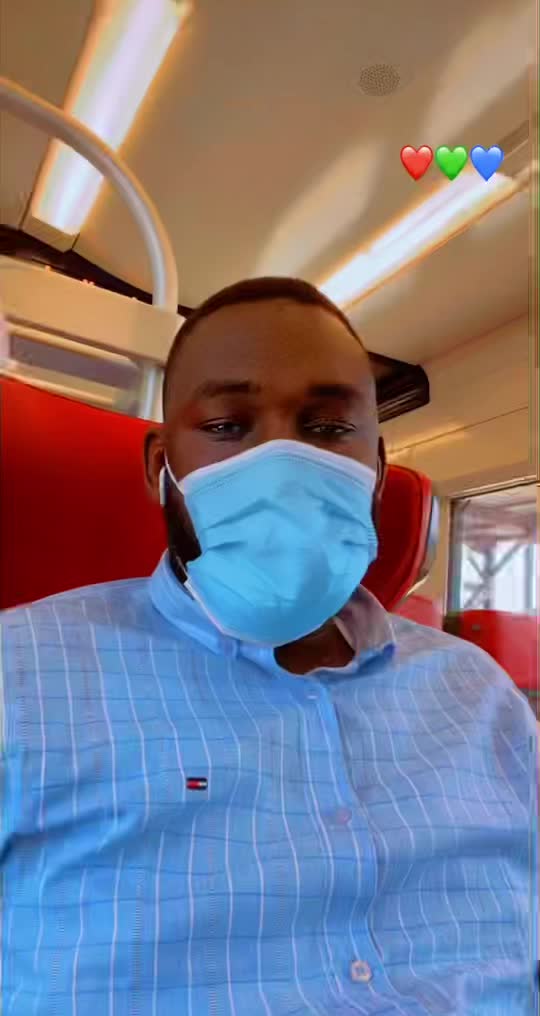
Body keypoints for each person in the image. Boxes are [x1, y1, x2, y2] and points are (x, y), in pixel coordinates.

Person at [0, 277, 537, 1016]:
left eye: (328, 428)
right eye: (228, 425)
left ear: (378, 470)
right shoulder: (21, 675)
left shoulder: (480, 696)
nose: (283, 462)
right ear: (161, 467)